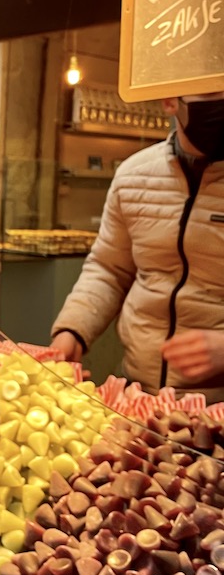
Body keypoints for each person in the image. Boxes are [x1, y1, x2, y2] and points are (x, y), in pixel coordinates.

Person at [51, 91, 224, 400]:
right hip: (139, 392)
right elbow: (108, 270)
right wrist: (72, 332)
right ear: (170, 100)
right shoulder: (133, 176)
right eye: (212, 93)